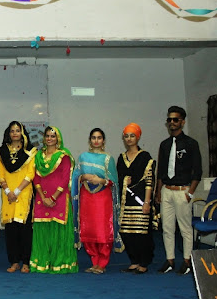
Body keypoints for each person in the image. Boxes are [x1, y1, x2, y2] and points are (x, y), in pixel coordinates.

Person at [155, 106, 202, 275]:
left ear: (182, 122)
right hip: (166, 190)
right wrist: (158, 192)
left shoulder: (191, 143)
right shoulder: (164, 145)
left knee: (185, 229)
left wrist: (190, 193)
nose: (172, 122)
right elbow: (161, 170)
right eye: (169, 119)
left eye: (175, 119)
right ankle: (170, 260)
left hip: (183, 191)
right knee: (167, 228)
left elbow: (197, 171)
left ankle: (187, 261)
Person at [72, 128, 120, 274]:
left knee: (102, 230)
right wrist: (84, 177)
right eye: (93, 138)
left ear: (103, 141)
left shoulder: (108, 159)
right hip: (86, 197)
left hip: (102, 198)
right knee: (88, 229)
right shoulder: (83, 157)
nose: (96, 140)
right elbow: (75, 177)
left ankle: (102, 263)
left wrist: (101, 180)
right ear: (90, 140)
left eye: (99, 138)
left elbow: (114, 182)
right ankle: (94, 261)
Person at [30, 126, 78, 274]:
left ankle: (60, 263)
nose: (50, 138)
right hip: (42, 198)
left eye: (53, 136)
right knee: (43, 232)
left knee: (59, 232)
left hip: (59, 198)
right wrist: (43, 197)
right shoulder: (38, 156)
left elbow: (65, 179)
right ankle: (42, 262)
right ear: (44, 138)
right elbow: (36, 177)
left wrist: (53, 197)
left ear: (58, 138)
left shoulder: (64, 156)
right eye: (47, 136)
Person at [0, 121, 37, 273]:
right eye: (12, 130)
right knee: (11, 228)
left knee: (25, 229)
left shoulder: (30, 152)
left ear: (22, 133)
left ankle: (26, 262)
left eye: (17, 130)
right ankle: (14, 262)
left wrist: (17, 191)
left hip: (24, 193)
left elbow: (30, 174)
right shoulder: (2, 152)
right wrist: (8, 191)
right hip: (8, 194)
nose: (15, 133)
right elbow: (1, 175)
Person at [117, 123, 156, 274]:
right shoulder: (121, 158)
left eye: (132, 135)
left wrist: (147, 202)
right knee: (127, 233)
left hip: (140, 201)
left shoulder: (145, 157)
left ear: (138, 137)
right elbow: (118, 178)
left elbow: (149, 181)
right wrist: (124, 181)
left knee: (141, 234)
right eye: (126, 136)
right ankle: (134, 261)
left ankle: (144, 262)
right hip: (125, 201)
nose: (129, 139)